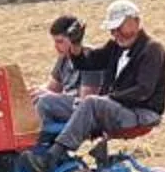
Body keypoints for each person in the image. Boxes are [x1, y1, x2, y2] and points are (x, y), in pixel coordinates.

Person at [24, 0, 165, 172]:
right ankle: (35, 152)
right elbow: (87, 63)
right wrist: (76, 46)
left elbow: (143, 92)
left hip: (139, 113)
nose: (116, 33)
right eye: (113, 29)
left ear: (136, 22)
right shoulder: (116, 47)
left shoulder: (152, 49)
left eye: (120, 27)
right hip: (116, 107)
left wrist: (108, 98)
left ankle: (52, 158)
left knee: (91, 102)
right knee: (46, 102)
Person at [33, 12, 110, 141]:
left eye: (60, 42)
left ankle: (46, 147)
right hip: (70, 107)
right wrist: (34, 91)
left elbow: (86, 100)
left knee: (45, 102)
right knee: (34, 98)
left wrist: (46, 95)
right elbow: (52, 88)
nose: (56, 47)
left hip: (89, 112)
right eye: (55, 42)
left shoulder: (90, 58)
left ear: (74, 39)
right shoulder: (64, 59)